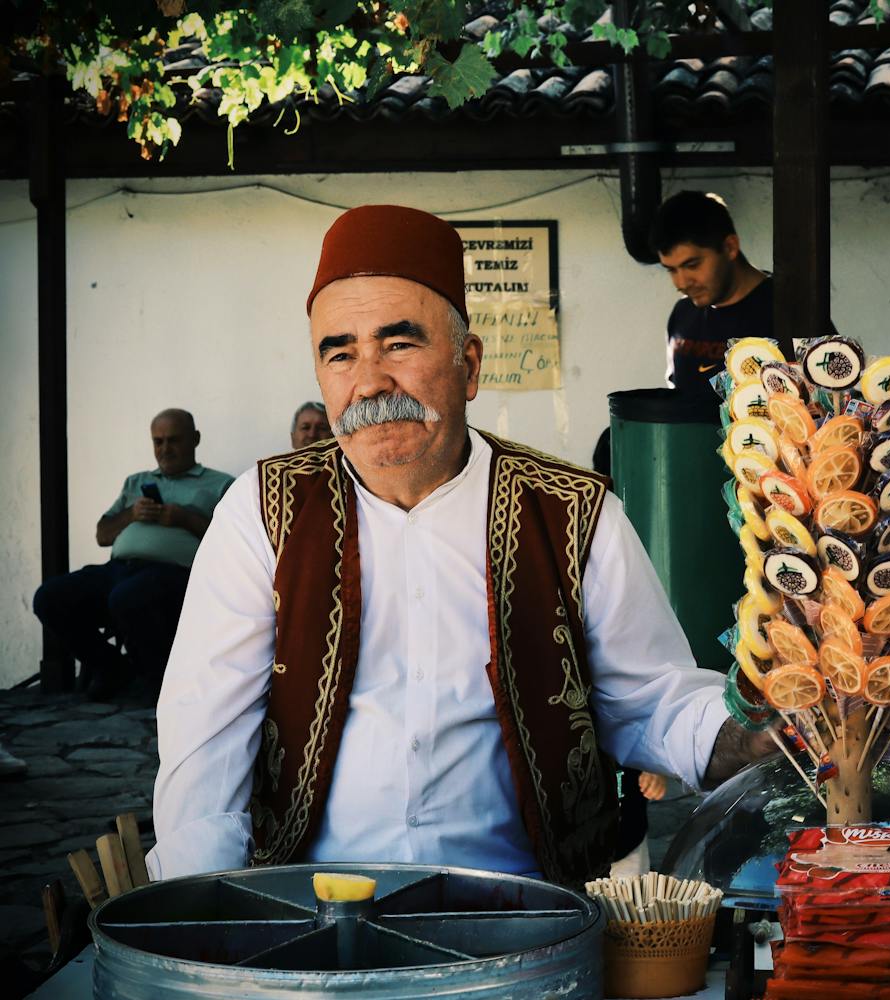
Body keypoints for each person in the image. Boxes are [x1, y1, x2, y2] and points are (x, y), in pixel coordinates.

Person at [148, 205, 771, 886]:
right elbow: (204, 742)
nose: (370, 381)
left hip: (529, 911)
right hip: (315, 912)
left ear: (468, 365)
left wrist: (747, 738)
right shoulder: (263, 512)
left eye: (399, 343)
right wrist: (199, 925)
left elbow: (652, 698)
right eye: (340, 352)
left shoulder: (571, 510)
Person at [32, 409, 233, 701]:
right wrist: (131, 513)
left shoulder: (221, 484)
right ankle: (112, 667)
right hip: (118, 569)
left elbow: (231, 542)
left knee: (127, 597)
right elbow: (103, 535)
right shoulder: (135, 482)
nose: (165, 449)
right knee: (49, 597)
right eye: (158, 441)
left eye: (174, 440)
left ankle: (158, 680)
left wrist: (183, 519)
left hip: (178, 575)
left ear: (195, 439)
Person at [651, 190, 794, 397]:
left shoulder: (788, 311)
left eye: (692, 265)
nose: (681, 283)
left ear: (730, 247)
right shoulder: (683, 313)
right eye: (671, 270)